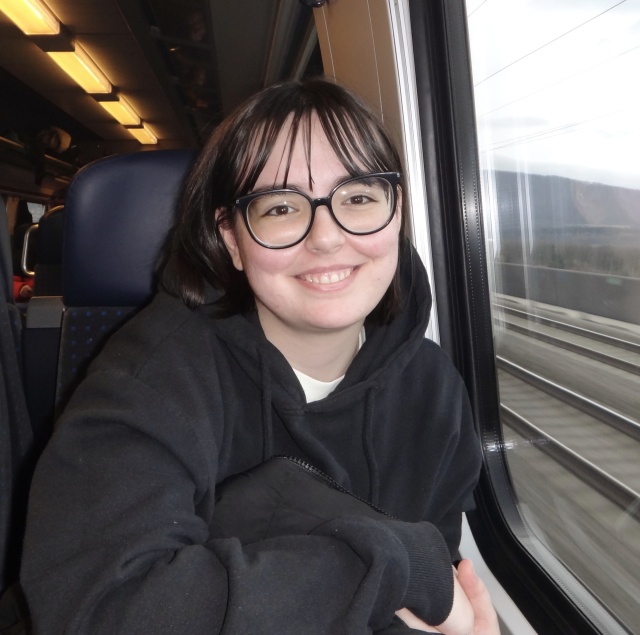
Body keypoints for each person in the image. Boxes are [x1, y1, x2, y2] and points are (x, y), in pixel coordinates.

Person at [20, 77, 499, 634]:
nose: (326, 237)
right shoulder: (153, 375)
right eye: (281, 208)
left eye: (358, 197)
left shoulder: (434, 389)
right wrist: (389, 565)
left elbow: (430, 599)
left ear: (395, 214)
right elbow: (99, 607)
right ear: (231, 240)